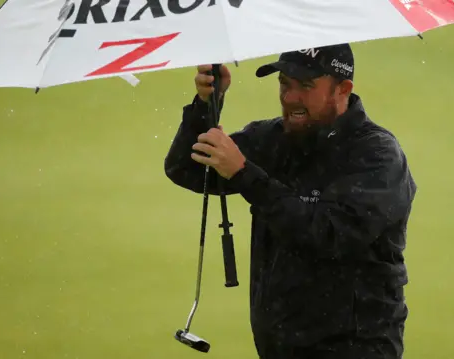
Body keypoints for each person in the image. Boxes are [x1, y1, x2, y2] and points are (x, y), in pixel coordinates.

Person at [164, 43, 417, 359]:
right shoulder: (272, 139)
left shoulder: (376, 155)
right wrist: (206, 104)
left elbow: (328, 235)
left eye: (305, 86)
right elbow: (185, 169)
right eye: (285, 83)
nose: (289, 97)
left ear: (343, 89)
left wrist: (244, 173)